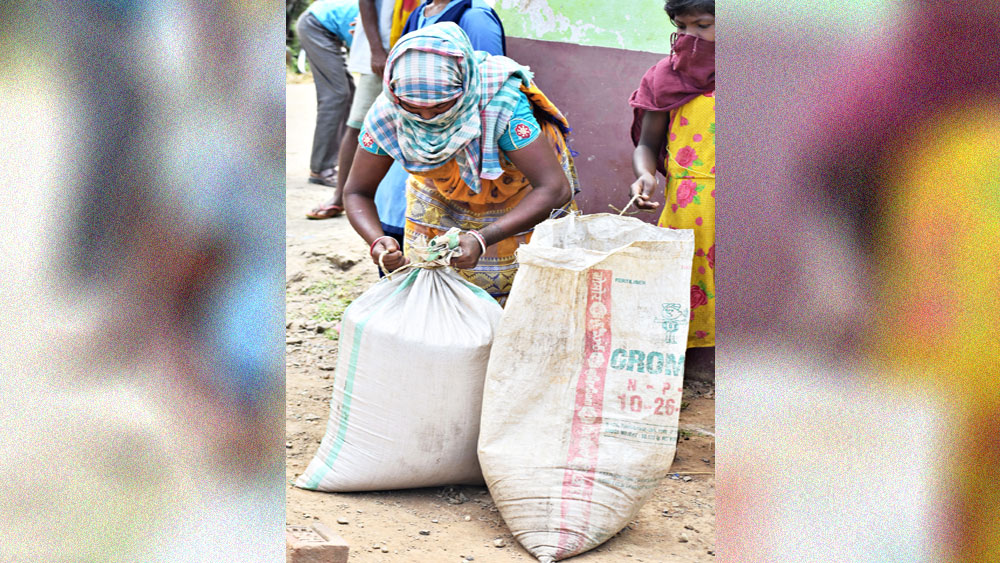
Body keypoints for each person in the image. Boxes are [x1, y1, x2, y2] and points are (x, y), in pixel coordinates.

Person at [343, 22, 579, 303]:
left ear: (464, 89)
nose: (428, 119)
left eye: (441, 107)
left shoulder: (500, 105)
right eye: (414, 109)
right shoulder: (388, 111)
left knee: (525, 297)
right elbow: (356, 191)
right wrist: (377, 241)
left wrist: (482, 238)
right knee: (437, 293)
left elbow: (553, 189)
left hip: (522, 192)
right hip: (441, 190)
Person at [366, 0, 508, 267]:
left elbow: (486, 94)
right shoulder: (418, 14)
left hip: (450, 182)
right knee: (397, 257)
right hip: (405, 172)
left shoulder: (475, 18)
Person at [628, 0, 715, 352]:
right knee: (680, 295)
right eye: (681, 28)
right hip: (686, 213)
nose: (689, 37)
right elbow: (647, 144)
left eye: (703, 26)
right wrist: (645, 175)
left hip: (741, 212)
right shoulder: (664, 78)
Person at [307, 0, 411, 219]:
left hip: (410, 50)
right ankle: (339, 193)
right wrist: (376, 50)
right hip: (380, 53)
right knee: (352, 118)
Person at [296, 0, 359, 193]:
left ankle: (342, 160)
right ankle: (321, 168)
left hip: (327, 25)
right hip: (316, 24)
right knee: (336, 95)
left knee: (349, 95)